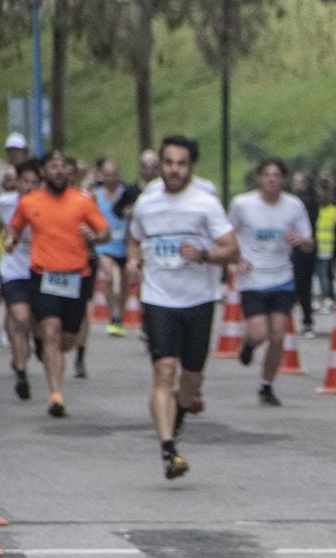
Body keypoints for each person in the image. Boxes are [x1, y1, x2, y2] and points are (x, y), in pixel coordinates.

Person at [125, 135, 237, 480]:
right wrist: (132, 261)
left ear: (191, 167)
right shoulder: (147, 202)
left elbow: (232, 250)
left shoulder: (205, 204)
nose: (174, 170)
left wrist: (203, 254)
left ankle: (181, 410)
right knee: (164, 371)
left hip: (198, 300)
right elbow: (134, 237)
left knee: (191, 380)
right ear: (160, 164)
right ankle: (168, 449)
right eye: (169, 163)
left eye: (181, 164)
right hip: (158, 298)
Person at [9, 151, 108, 417]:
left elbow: (104, 231)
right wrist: (11, 239)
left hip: (75, 277)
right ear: (43, 171)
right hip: (44, 275)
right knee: (51, 329)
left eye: (63, 166)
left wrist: (95, 236)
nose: (59, 170)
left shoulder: (82, 201)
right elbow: (16, 226)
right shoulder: (29, 202)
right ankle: (56, 395)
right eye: (53, 166)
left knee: (67, 341)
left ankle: (44, 346)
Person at [228, 157, 314, 406]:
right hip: (252, 278)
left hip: (282, 278)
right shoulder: (242, 204)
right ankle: (248, 344)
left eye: (276, 175)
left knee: (277, 335)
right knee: (260, 333)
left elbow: (309, 242)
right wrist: (235, 259)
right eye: (267, 175)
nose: (272, 180)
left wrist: (300, 240)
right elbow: (226, 234)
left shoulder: (293, 206)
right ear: (259, 178)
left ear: (282, 179)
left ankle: (266, 385)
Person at [0, 160, 41, 395]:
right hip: (13, 269)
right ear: (17, 182)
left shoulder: (46, 204)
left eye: (34, 182)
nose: (29, 186)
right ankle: (21, 373)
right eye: (25, 181)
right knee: (20, 317)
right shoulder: (6, 203)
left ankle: (34, 346)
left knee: (35, 321)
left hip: (39, 268)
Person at [91, 157, 138, 339]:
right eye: (107, 175)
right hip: (105, 245)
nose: (110, 178)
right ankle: (113, 317)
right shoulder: (96, 195)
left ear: (119, 175)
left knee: (125, 283)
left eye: (113, 174)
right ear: (102, 176)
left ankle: (121, 315)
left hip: (124, 244)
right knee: (109, 277)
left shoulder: (127, 193)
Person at [289, 165, 320, 336]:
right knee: (306, 285)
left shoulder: (298, 202)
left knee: (296, 284)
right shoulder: (314, 199)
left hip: (298, 245)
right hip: (311, 245)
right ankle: (307, 320)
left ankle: (290, 319)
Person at [315, 173, 336, 310]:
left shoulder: (319, 205)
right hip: (331, 243)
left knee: (325, 273)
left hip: (324, 243)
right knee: (331, 272)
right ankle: (333, 297)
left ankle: (329, 298)